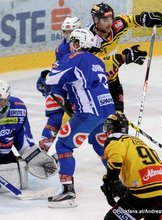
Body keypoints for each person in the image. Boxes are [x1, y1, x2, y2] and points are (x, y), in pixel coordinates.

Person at [86, 2, 162, 165]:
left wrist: (143, 18)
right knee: (105, 123)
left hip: (113, 80)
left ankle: (121, 152)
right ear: (95, 20)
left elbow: (127, 20)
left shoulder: (114, 26)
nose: (108, 23)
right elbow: (98, 64)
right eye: (103, 20)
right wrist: (124, 57)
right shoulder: (90, 41)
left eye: (110, 18)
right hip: (96, 86)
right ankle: (110, 157)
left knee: (119, 118)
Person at [46, 28, 115, 208]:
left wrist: (43, 78)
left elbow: (52, 79)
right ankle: (119, 183)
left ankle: (68, 191)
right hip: (108, 112)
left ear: (77, 43)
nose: (69, 44)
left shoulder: (74, 58)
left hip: (88, 113)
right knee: (101, 146)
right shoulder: (98, 61)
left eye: (72, 42)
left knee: (63, 145)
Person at [101, 112, 162, 219]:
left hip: (143, 196)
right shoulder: (139, 141)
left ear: (110, 129)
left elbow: (116, 162)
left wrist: (110, 181)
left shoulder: (115, 140)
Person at [36, 17, 82, 152]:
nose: (68, 36)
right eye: (65, 32)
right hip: (63, 86)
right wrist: (46, 79)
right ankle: (43, 149)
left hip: (79, 88)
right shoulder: (61, 49)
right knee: (55, 117)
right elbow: (59, 69)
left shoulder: (87, 44)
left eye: (71, 32)